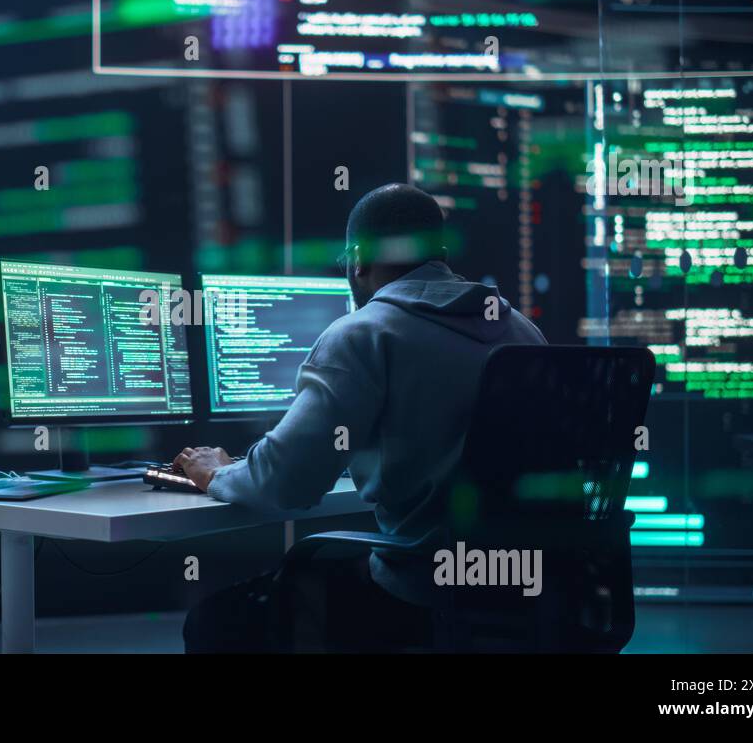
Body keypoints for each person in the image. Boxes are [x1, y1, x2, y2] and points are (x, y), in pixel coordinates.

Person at [176, 183, 547, 652]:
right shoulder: (522, 330)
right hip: (531, 588)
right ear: (443, 255)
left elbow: (287, 481)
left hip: (420, 593)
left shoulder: (364, 333)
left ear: (356, 258)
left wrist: (217, 472)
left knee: (216, 622)